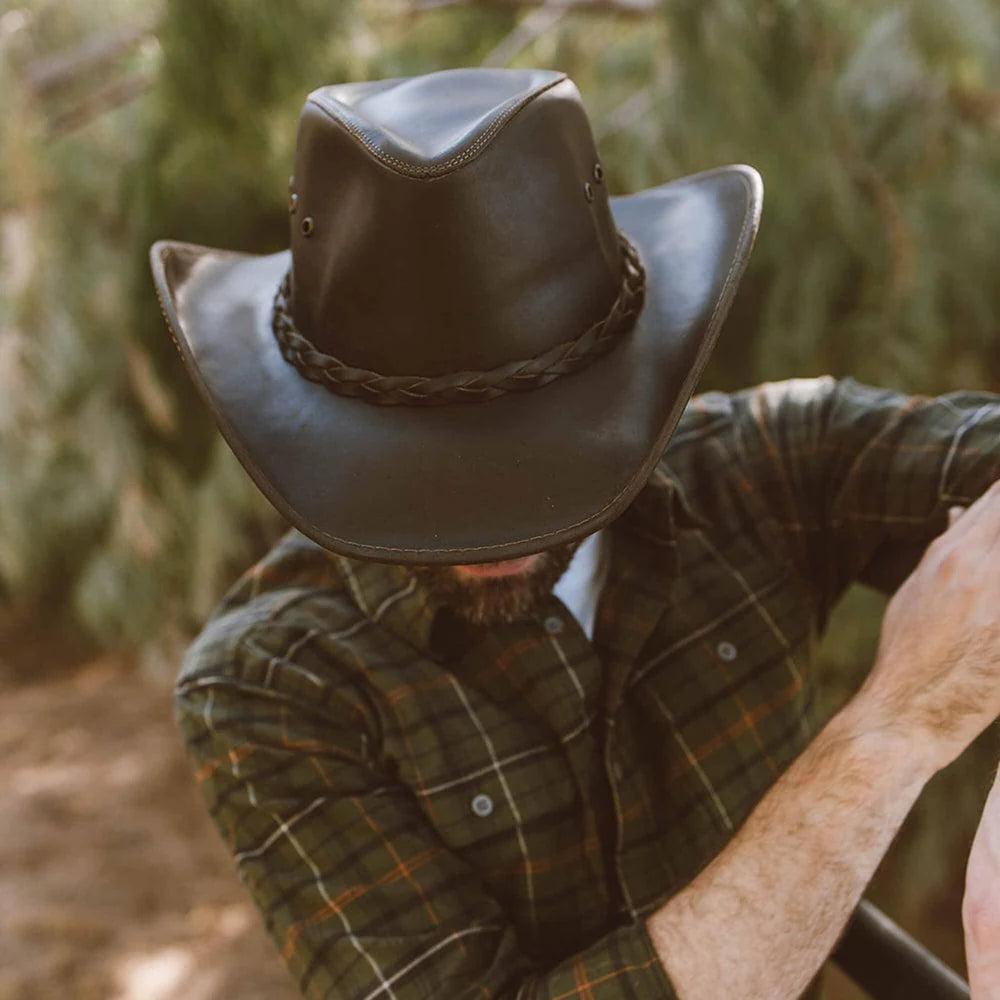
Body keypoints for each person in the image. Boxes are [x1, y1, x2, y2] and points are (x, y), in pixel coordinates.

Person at [150, 68, 1000, 999]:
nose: (486, 529)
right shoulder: (271, 686)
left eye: (533, 460)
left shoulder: (766, 463)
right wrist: (892, 732)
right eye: (419, 485)